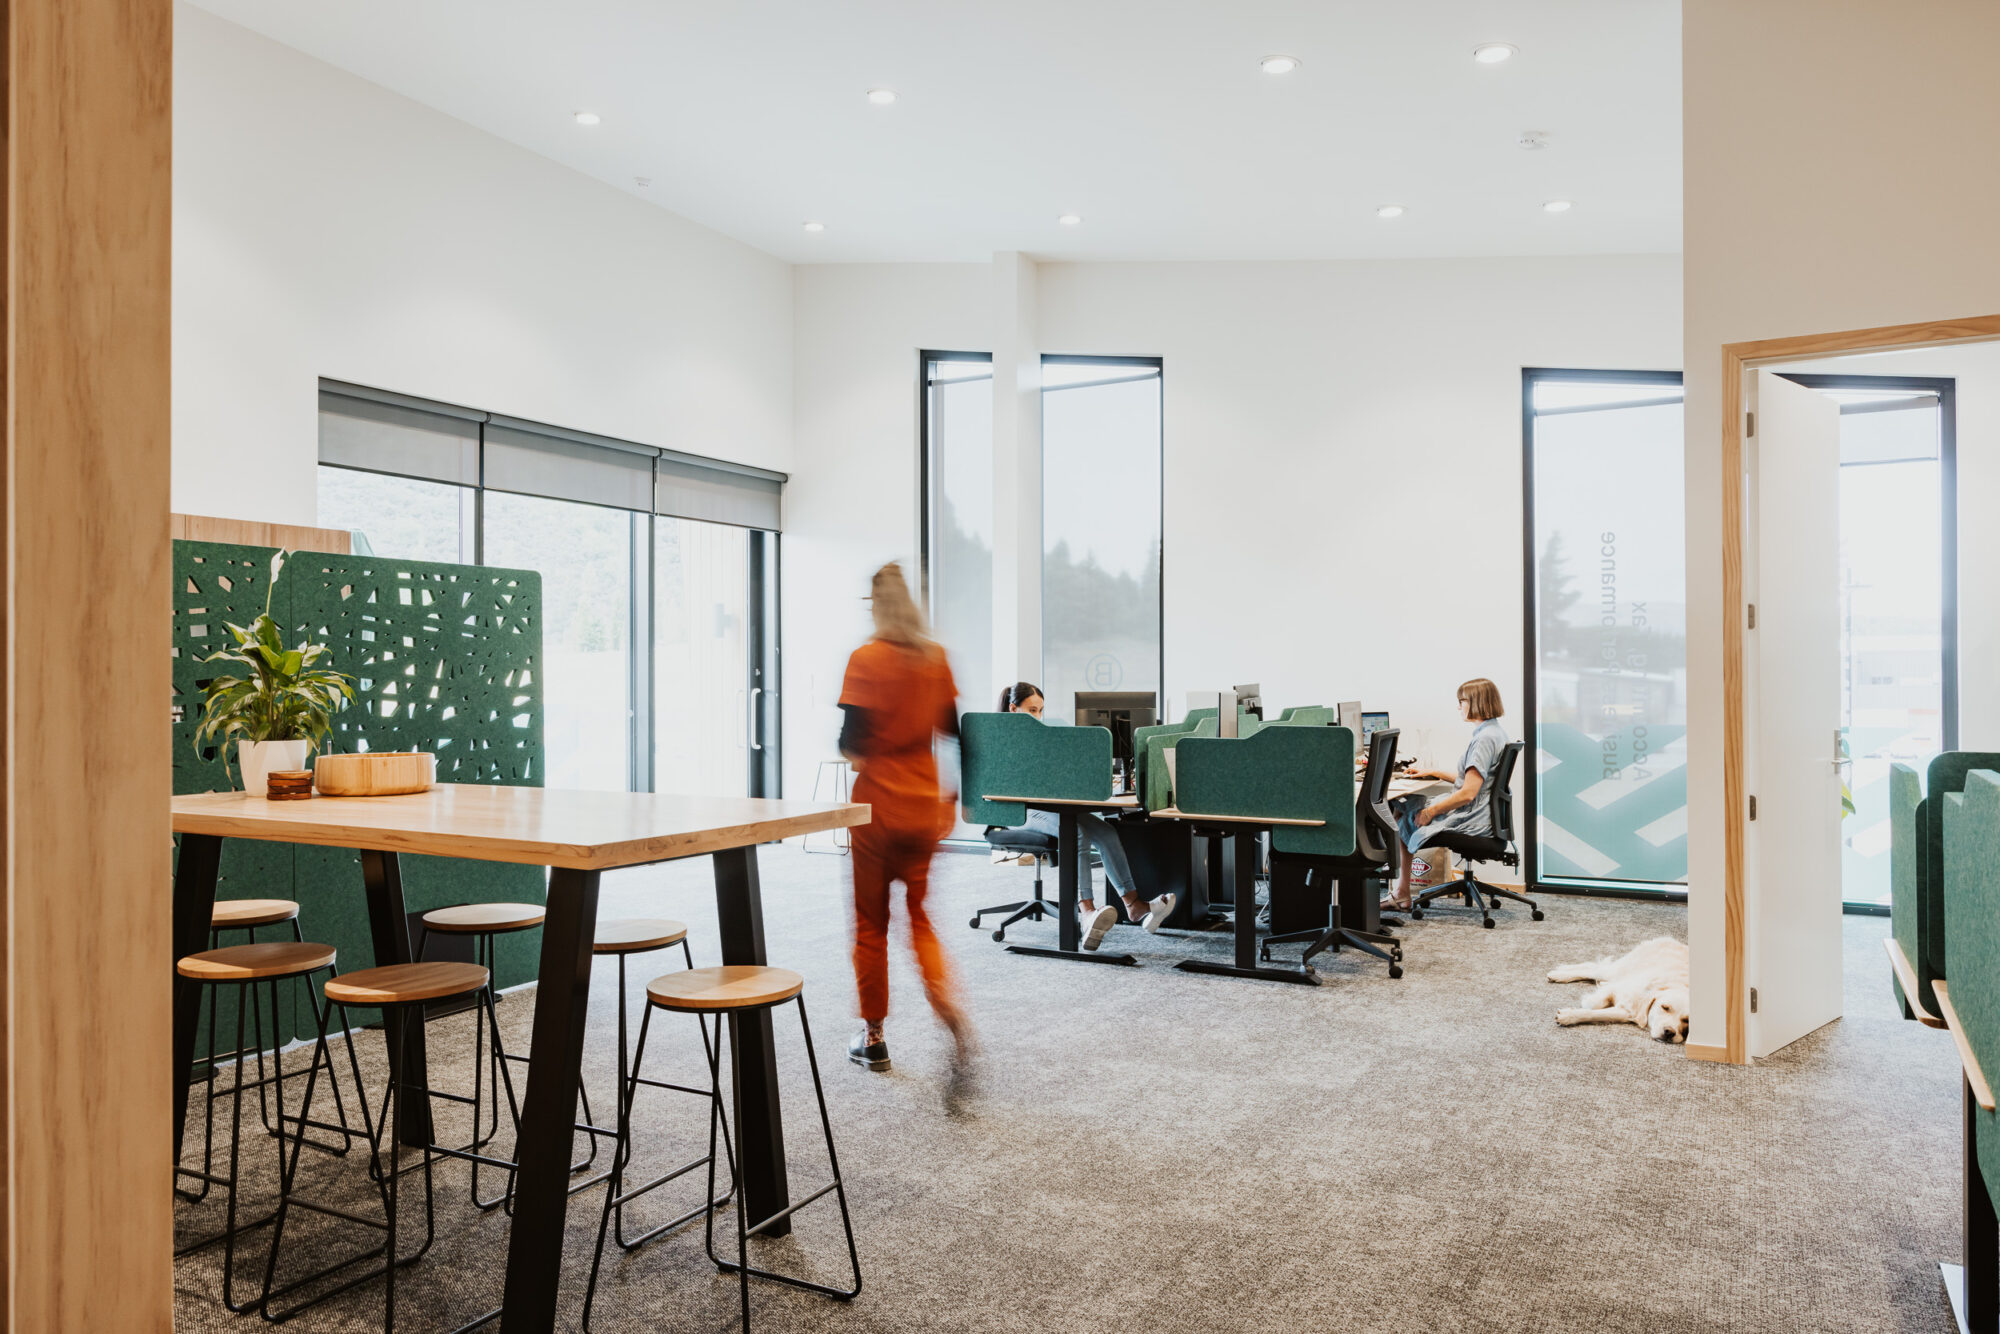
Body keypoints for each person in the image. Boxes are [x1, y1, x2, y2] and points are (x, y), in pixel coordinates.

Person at [838, 563, 970, 1078]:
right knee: (920, 920)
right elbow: (955, 734)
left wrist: (863, 753)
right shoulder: (935, 659)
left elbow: (852, 742)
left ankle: (873, 1037)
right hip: (922, 809)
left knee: (871, 926)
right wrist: (950, 800)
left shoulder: (865, 659)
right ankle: (947, 1011)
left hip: (874, 811)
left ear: (875, 605)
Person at [999, 682, 1175, 949]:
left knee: (1106, 832)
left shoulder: (1041, 736)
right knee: (1076, 833)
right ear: (1013, 709)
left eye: (1040, 711)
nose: (1037, 716)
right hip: (1021, 810)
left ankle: (1134, 906)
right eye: (1032, 710)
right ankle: (1087, 912)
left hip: (1050, 806)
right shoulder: (1001, 738)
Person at [1382, 677, 1508, 912]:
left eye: (1462, 701)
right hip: (1484, 815)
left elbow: (1468, 793)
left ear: (1476, 702)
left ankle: (1401, 893)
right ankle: (1401, 891)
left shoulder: (1483, 739)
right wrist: (1434, 772)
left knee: (1402, 814)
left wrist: (1430, 813)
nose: (1459, 707)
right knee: (1408, 805)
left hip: (1471, 820)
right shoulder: (1494, 732)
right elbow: (1477, 782)